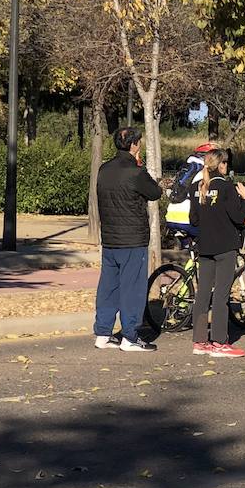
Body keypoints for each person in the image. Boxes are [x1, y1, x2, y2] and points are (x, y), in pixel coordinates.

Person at [93, 126, 161, 352]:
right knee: (132, 288)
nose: (139, 145)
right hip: (132, 239)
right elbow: (155, 193)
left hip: (110, 238)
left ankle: (103, 333)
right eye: (138, 142)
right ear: (133, 145)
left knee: (109, 287)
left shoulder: (104, 169)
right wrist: (140, 165)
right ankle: (130, 337)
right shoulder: (135, 172)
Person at [189, 148, 245, 358]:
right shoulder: (226, 187)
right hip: (225, 247)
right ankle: (219, 342)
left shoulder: (198, 188)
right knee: (221, 295)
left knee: (203, 293)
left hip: (205, 247)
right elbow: (238, 217)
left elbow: (194, 220)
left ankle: (199, 341)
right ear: (222, 165)